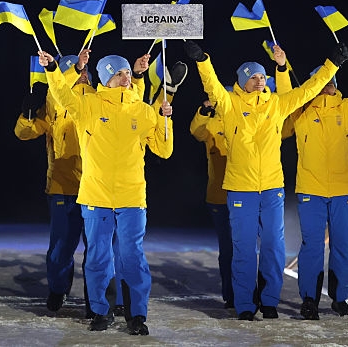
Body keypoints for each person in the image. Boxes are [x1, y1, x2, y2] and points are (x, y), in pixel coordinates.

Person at [183, 38, 348, 321]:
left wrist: (333, 63)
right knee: (244, 248)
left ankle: (270, 300)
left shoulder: (277, 104)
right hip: (240, 189)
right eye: (253, 77)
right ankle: (245, 304)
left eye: (262, 76)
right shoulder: (230, 104)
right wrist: (201, 59)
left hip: (272, 189)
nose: (260, 81)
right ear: (242, 82)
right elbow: (210, 84)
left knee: (273, 246)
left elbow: (309, 89)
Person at [39, 48, 173, 336]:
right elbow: (62, 94)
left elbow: (164, 150)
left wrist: (165, 120)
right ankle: (100, 312)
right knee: (99, 258)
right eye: (120, 73)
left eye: (127, 72)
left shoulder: (143, 109)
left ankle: (137, 315)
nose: (126, 77)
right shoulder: (89, 105)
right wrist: (52, 69)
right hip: (96, 197)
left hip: (132, 197)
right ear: (106, 77)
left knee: (132, 258)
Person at [15, 51, 146, 317]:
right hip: (64, 185)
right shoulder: (54, 102)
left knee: (103, 249)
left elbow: (130, 102)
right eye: (75, 70)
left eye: (84, 69)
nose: (82, 73)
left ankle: (99, 300)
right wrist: (27, 114)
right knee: (63, 246)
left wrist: (138, 75)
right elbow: (25, 132)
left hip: (98, 187)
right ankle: (57, 289)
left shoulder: (98, 98)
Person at [279, 43, 348, 319]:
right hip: (310, 191)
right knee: (311, 247)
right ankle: (309, 299)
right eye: (322, 83)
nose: (328, 86)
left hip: (342, 192)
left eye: (331, 82)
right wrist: (281, 67)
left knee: (343, 246)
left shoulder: (347, 109)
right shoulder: (301, 113)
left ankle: (339, 298)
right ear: (313, 85)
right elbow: (287, 95)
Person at [189, 97, 234, 310]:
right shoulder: (212, 125)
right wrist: (204, 110)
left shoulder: (243, 120)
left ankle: (249, 291)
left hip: (248, 196)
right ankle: (231, 295)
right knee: (227, 249)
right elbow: (196, 132)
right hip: (219, 197)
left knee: (246, 249)